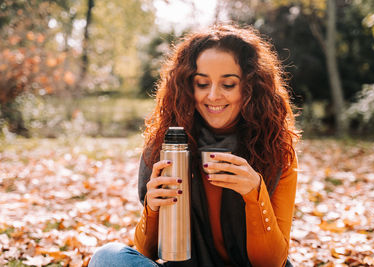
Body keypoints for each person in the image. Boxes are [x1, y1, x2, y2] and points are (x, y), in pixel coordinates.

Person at [89, 24, 300, 267]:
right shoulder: (166, 144)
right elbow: (147, 252)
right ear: (189, 86)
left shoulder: (276, 149)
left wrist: (255, 195)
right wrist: (153, 208)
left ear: (250, 87)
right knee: (108, 257)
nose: (213, 95)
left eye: (228, 84)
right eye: (202, 83)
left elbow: (272, 262)